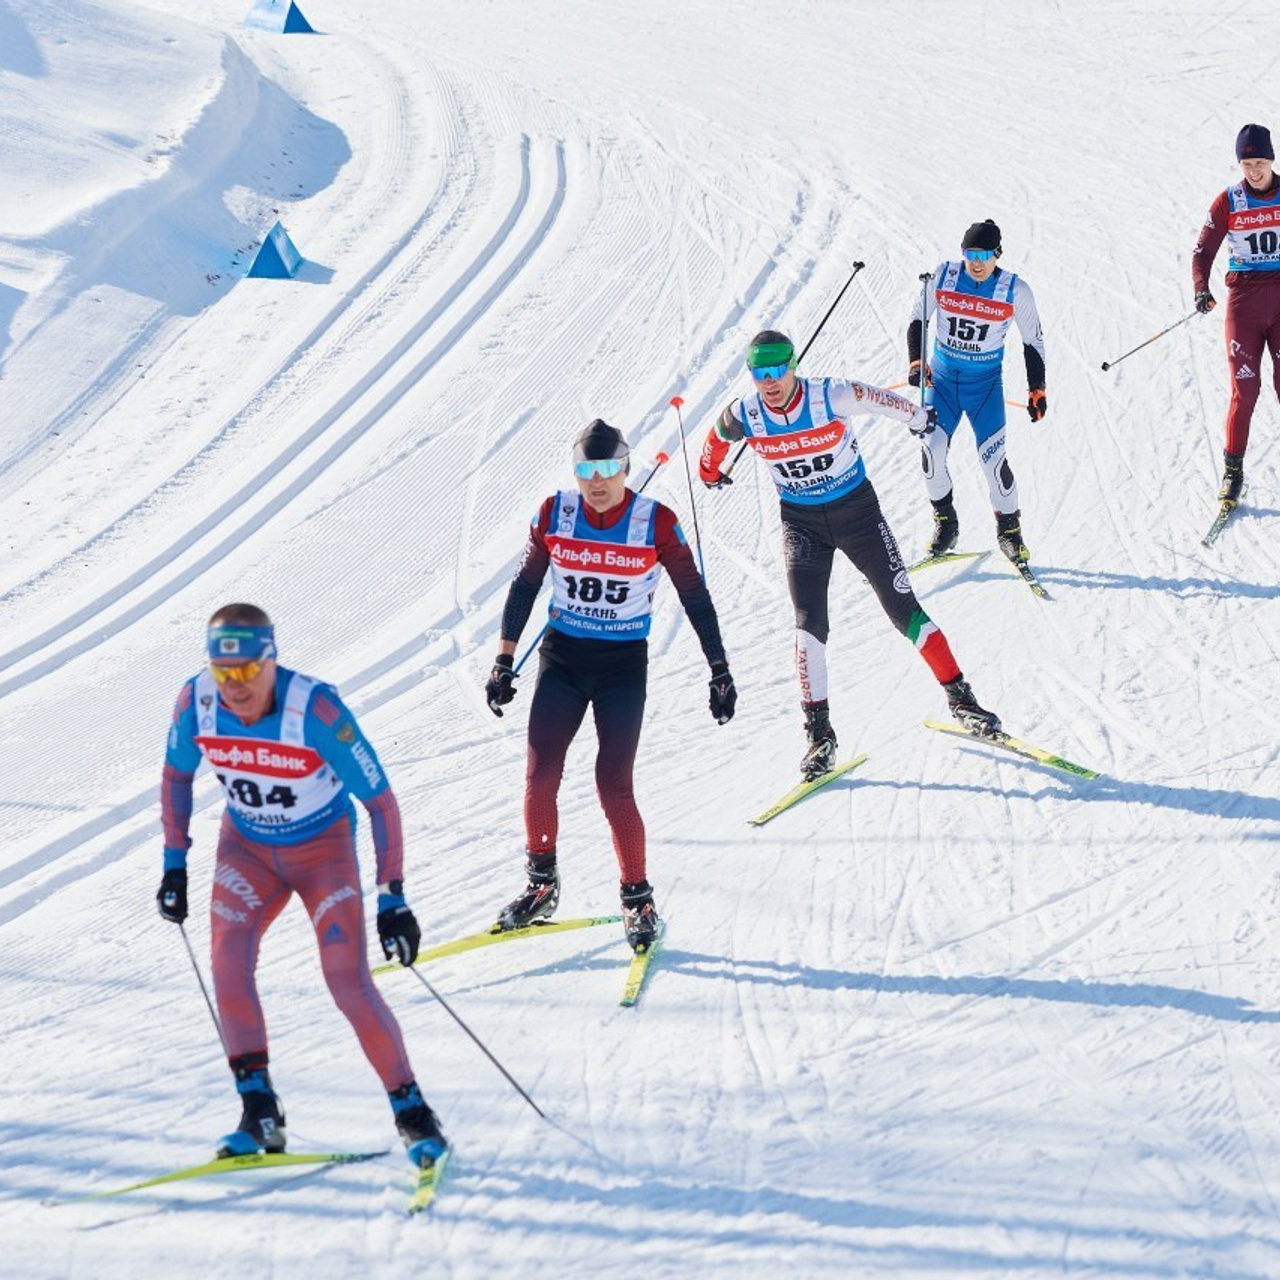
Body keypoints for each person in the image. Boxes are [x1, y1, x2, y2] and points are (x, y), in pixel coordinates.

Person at [156, 604, 446, 1170]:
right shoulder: (197, 702)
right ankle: (258, 1111)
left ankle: (413, 1114)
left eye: (246, 673)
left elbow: (381, 800)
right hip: (247, 850)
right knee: (227, 963)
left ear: (271, 661)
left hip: (322, 853)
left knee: (346, 979)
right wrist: (173, 864)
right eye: (223, 672)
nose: (234, 687)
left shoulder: (313, 709)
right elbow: (175, 776)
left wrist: (394, 897)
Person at [698, 330, 1000, 780]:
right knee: (807, 628)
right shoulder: (747, 413)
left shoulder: (829, 395)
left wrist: (919, 417)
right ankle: (820, 737)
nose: (769, 381)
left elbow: (880, 399)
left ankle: (962, 701)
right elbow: (715, 439)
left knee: (904, 611)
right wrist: (709, 471)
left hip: (858, 515)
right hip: (802, 526)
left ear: (792, 365)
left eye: (777, 369)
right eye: (759, 373)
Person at [483, 420, 735, 951]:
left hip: (622, 665)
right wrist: (503, 660)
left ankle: (637, 897)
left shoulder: (655, 522)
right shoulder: (555, 513)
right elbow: (526, 584)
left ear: (625, 467)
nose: (596, 481)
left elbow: (695, 596)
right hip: (563, 658)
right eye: (585, 470)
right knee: (540, 772)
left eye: (606, 469)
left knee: (612, 784)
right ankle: (540, 886)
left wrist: (719, 668)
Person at [906, 218, 1047, 564]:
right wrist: (915, 362)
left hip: (984, 387)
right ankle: (945, 523)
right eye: (971, 253)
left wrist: (1037, 388)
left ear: (997, 254)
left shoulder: (1015, 290)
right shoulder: (943, 277)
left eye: (985, 254)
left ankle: (1010, 533)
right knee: (932, 451)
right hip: (941, 384)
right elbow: (917, 320)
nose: (977, 262)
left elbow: (1033, 341)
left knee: (994, 461)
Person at [1191, 123, 1280, 507]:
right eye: (1246, 163)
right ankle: (1232, 472)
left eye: (1259, 162)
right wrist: (1201, 288)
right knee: (1245, 391)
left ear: (1271, 160)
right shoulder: (1228, 202)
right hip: (1243, 306)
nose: (1254, 170)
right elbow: (1202, 253)